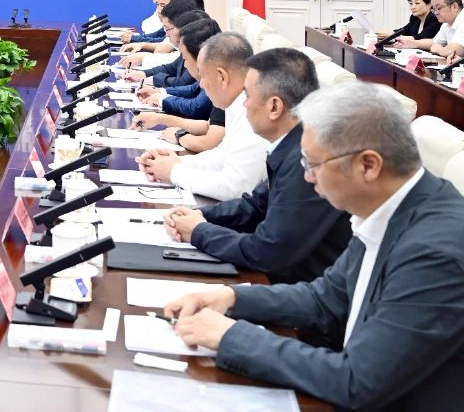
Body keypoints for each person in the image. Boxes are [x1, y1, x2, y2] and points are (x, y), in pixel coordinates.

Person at [165, 83, 464, 411]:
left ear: (368, 165)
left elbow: (356, 381)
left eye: (312, 164)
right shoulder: (390, 207)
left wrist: (231, 337)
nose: (306, 177)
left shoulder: (434, 252)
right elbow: (324, 299)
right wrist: (233, 298)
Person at [164, 48, 351, 284]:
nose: (244, 105)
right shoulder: (292, 142)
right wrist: (200, 215)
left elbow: (267, 251)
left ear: (274, 107)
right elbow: (255, 205)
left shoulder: (308, 160)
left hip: (299, 288)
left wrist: (199, 231)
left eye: (248, 96)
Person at [137, 33, 267, 201]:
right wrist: (175, 162)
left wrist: (174, 172)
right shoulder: (237, 104)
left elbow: (236, 187)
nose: (201, 85)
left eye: (203, 76)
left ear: (221, 76)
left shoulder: (255, 112)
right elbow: (223, 156)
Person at [397, 0, 464, 59]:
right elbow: (434, 42)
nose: (435, 13)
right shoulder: (446, 23)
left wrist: (438, 49)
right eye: (434, 9)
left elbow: (455, 50)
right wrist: (413, 43)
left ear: (454, 6)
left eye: (438, 8)